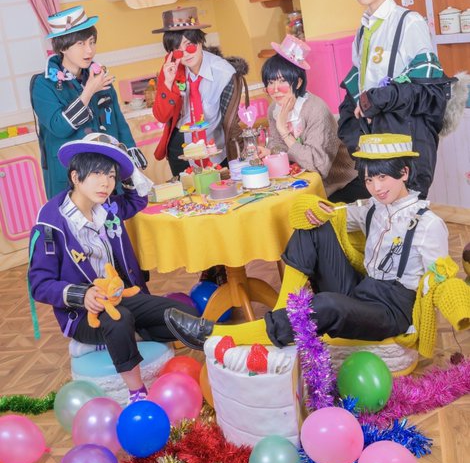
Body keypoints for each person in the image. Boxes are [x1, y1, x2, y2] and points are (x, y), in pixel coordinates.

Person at [163, 133, 450, 349]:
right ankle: (281, 313)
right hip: (363, 289)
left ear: (404, 173)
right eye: (369, 180)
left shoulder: (428, 224)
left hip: (391, 309)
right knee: (313, 228)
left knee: (325, 305)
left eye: (383, 178)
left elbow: (440, 281)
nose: (376, 188)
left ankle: (216, 335)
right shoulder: (372, 208)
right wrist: (313, 209)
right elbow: (326, 215)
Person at [28, 133, 197, 404]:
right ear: (75, 177)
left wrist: (127, 166)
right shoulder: (50, 224)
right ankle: (137, 392)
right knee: (119, 321)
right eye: (97, 174)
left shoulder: (107, 207)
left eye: (111, 175)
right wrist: (82, 295)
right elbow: (39, 284)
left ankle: (133, 335)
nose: (105, 183)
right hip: (84, 314)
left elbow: (138, 199)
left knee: (184, 315)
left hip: (122, 297)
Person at [337, 0, 455, 198]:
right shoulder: (362, 31)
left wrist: (378, 98)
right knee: (382, 213)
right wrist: (354, 128)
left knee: (407, 210)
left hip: (406, 139)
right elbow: (356, 88)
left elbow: (430, 90)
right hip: (373, 141)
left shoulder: (408, 22)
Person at [31, 6, 147, 199]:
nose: (89, 50)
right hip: (73, 176)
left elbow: (118, 120)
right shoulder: (43, 84)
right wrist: (89, 91)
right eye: (81, 44)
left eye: (92, 42)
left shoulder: (98, 76)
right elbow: (59, 127)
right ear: (62, 47)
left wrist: (130, 153)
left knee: (115, 216)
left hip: (108, 172)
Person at [256, 35, 364, 203]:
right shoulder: (274, 110)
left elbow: (316, 166)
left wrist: (284, 131)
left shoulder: (315, 109)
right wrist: (270, 152)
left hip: (339, 184)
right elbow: (278, 147)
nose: (275, 89)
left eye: (282, 81)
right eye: (270, 82)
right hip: (301, 181)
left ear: (298, 82)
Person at [152, 6, 248, 177]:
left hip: (215, 150)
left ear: (200, 41)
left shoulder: (224, 73)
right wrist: (167, 83)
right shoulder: (171, 70)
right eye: (178, 51)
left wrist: (240, 155)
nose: (185, 55)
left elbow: (230, 122)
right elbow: (161, 116)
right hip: (181, 150)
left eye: (190, 46)